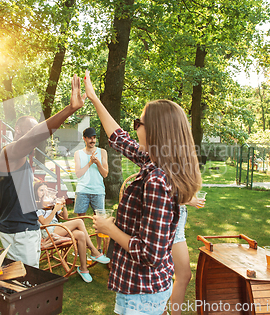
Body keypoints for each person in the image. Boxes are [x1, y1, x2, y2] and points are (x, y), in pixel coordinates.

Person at [84, 71, 202, 315]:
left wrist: (109, 229)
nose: (135, 128)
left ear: (156, 130)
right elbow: (119, 138)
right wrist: (95, 99)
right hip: (142, 290)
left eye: (138, 123)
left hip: (141, 293)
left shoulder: (158, 179)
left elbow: (150, 253)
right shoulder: (155, 161)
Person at [0, 75, 86, 268]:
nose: (35, 136)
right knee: (26, 285)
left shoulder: (22, 159)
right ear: (18, 130)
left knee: (22, 282)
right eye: (31, 130)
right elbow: (35, 136)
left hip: (26, 230)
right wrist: (69, 109)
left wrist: (43, 205)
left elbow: (17, 197)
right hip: (20, 233)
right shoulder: (10, 153)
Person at [34, 181, 110, 283]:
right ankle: (93, 250)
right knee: (78, 221)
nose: (45, 192)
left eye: (46, 190)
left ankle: (83, 269)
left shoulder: (51, 203)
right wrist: (54, 210)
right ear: (36, 192)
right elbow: (44, 223)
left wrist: (63, 205)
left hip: (58, 228)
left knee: (81, 235)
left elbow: (65, 217)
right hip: (47, 231)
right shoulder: (35, 206)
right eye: (41, 190)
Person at [74, 127, 109, 250]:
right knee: (80, 222)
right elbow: (78, 174)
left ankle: (98, 248)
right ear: (84, 139)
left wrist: (97, 162)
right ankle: (81, 247)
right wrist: (89, 163)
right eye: (89, 138)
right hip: (82, 190)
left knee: (99, 222)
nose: (92, 140)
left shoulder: (102, 152)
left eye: (94, 137)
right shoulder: (78, 153)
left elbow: (105, 174)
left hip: (98, 191)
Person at [170, 197, 205, 315]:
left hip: (176, 223)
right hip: (172, 226)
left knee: (176, 275)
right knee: (183, 276)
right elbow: (162, 195)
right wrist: (189, 201)